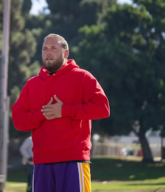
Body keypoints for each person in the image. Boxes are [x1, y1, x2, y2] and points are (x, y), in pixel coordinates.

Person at [11, 34, 110, 192]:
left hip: (74, 160)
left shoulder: (83, 77)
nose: (48, 52)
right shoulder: (32, 84)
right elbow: (18, 120)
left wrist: (64, 110)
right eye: (45, 48)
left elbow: (103, 108)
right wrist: (42, 114)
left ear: (66, 53)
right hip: (41, 162)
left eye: (53, 48)